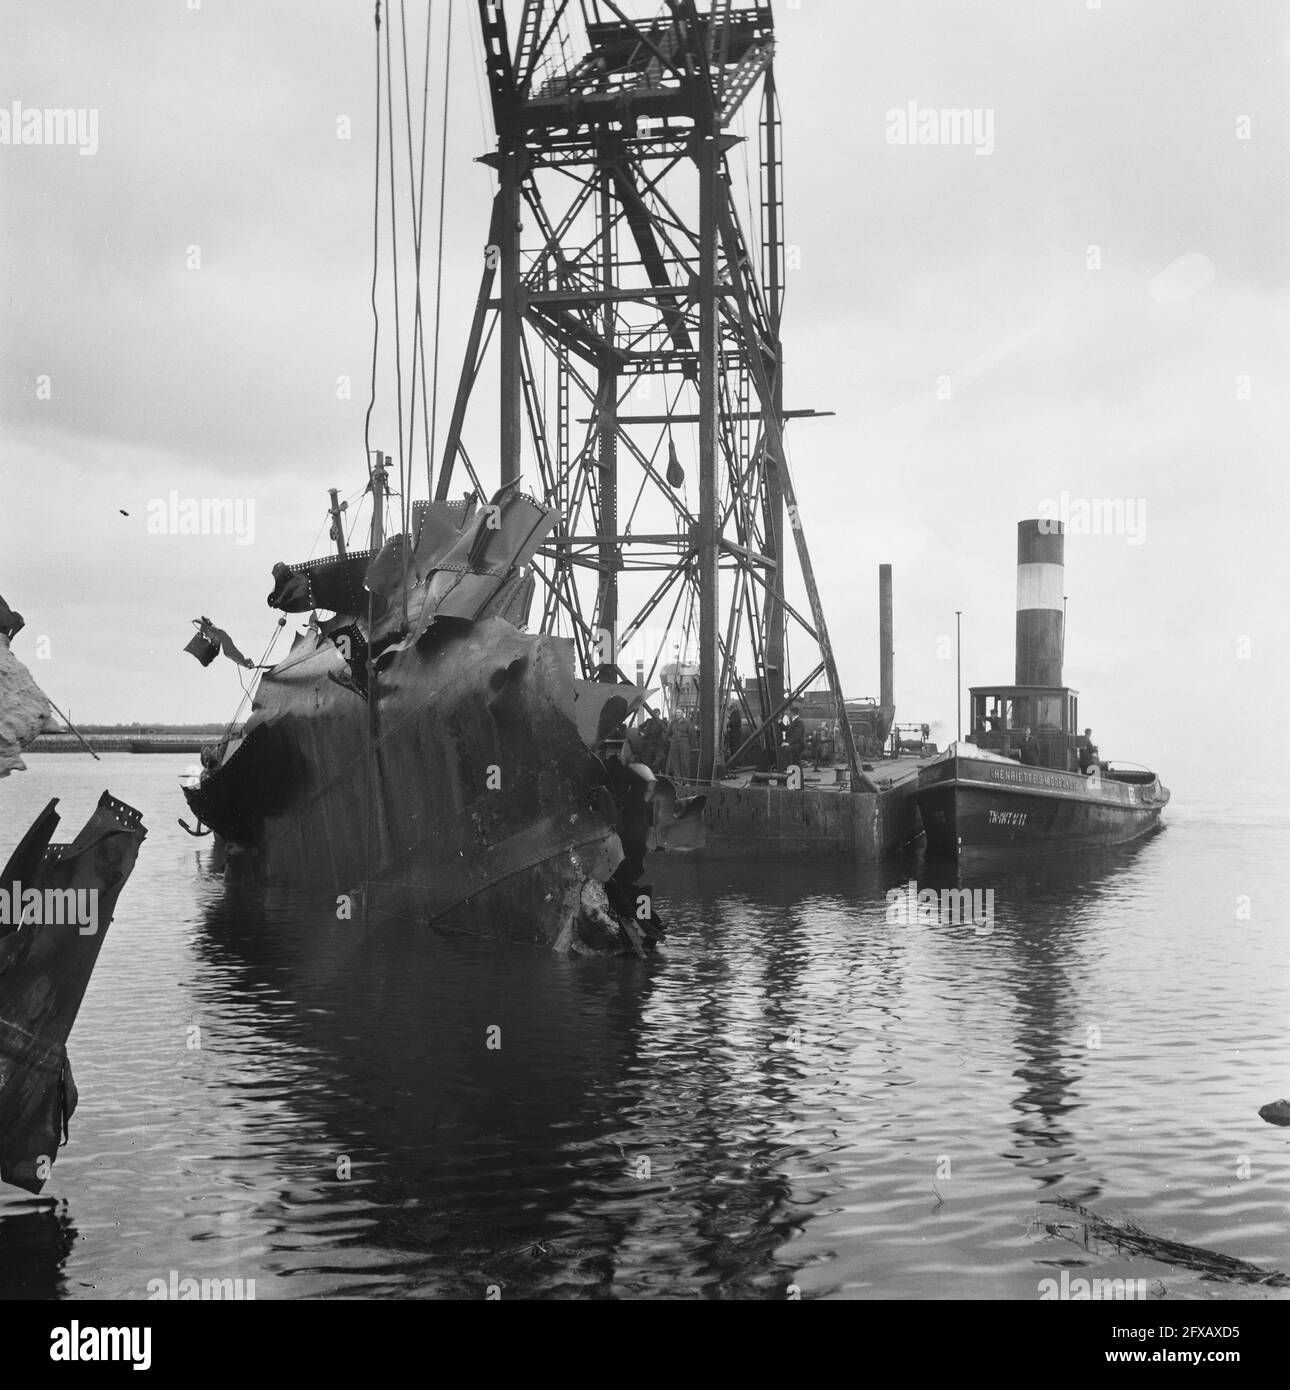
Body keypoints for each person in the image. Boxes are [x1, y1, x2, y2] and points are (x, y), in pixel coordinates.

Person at [665, 709, 694, 781]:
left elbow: (691, 735)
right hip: (674, 744)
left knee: (685, 762)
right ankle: (678, 780)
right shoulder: (673, 723)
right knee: (675, 763)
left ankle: (686, 781)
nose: (677, 714)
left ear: (682, 714)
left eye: (679, 713)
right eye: (676, 713)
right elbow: (667, 734)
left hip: (684, 744)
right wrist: (670, 740)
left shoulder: (687, 723)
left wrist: (689, 744)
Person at [784, 704, 806, 769]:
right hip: (795, 745)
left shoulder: (799, 722)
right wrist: (780, 723)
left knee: (796, 762)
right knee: (795, 762)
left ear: (791, 713)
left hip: (797, 745)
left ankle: (798, 778)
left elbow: (796, 735)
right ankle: (796, 777)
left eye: (789, 712)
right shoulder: (793, 721)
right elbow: (787, 729)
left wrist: (788, 743)